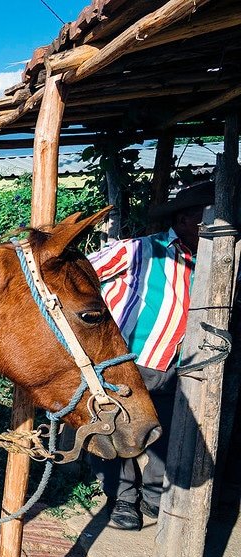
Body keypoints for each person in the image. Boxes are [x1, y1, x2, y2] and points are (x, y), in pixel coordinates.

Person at [86, 179, 213, 530]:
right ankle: (123, 499)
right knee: (116, 428)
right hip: (130, 360)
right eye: (208, 220)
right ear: (187, 219)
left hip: (183, 365)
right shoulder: (140, 250)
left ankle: (155, 495)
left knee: (167, 433)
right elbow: (76, 277)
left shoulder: (215, 262)